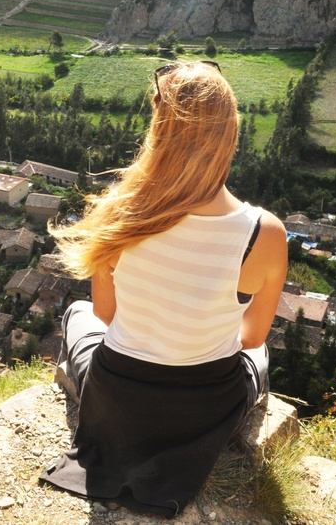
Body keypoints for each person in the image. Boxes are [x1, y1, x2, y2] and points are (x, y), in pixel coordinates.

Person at [40, 60, 288, 516]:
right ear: (229, 134)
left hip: (118, 392)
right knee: (259, 355)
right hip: (207, 402)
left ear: (160, 131)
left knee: (77, 315)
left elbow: (107, 314)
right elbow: (251, 337)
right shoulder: (263, 233)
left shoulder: (124, 212)